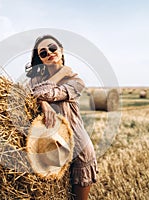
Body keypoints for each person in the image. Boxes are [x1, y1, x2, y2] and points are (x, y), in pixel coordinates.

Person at [25, 34, 98, 200]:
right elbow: (28, 95)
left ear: (61, 50)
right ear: (40, 59)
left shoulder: (75, 80)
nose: (49, 53)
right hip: (49, 142)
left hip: (77, 144)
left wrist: (61, 74)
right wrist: (43, 105)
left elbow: (47, 93)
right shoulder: (35, 79)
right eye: (43, 53)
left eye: (52, 48)